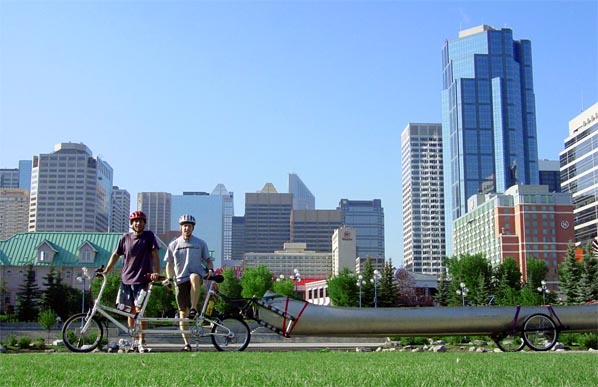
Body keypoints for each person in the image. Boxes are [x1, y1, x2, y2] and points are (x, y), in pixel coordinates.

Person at [103, 210, 160, 353]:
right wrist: (106, 271)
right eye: (135, 221)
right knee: (130, 312)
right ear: (131, 223)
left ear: (144, 223)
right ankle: (134, 339)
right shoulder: (125, 238)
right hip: (126, 279)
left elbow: (155, 255)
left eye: (141, 221)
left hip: (142, 278)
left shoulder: (149, 236)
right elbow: (116, 255)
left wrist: (156, 273)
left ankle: (142, 340)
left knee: (140, 311)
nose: (138, 223)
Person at [163, 214, 213, 352]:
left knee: (194, 277)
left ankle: (194, 307)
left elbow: (208, 260)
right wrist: (169, 278)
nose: (187, 228)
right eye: (185, 226)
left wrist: (210, 270)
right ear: (181, 227)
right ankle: (187, 343)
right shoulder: (174, 244)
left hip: (195, 276)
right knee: (182, 314)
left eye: (189, 226)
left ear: (193, 228)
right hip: (179, 279)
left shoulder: (200, 243)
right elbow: (169, 264)